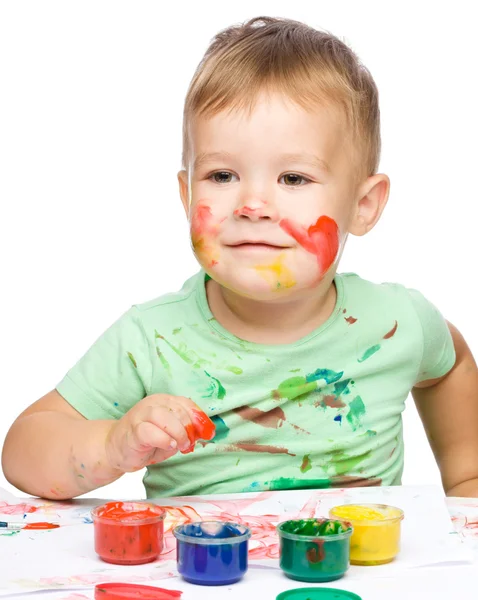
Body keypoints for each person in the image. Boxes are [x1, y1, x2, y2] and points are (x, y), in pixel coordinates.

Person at [3, 16, 478, 500]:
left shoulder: (397, 323)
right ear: (187, 194)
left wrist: (466, 479)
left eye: (293, 179)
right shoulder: (152, 339)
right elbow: (23, 451)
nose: (253, 205)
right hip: (206, 572)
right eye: (223, 175)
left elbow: (451, 364)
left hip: (361, 570)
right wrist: (107, 445)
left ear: (363, 205)